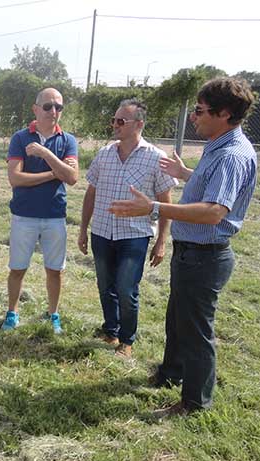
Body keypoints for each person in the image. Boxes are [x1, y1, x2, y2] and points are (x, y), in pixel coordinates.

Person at [109, 78, 257, 417]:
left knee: (195, 330)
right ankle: (170, 373)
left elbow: (214, 211)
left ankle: (194, 403)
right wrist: (187, 173)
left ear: (224, 114)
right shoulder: (219, 145)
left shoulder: (231, 155)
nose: (194, 117)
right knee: (178, 321)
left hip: (205, 257)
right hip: (191, 254)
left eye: (201, 111)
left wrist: (155, 208)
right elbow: (212, 186)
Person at [78, 99, 177, 358]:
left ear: (139, 124)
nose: (115, 125)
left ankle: (127, 339)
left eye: (121, 121)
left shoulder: (156, 158)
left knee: (125, 288)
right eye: (114, 120)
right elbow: (91, 194)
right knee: (104, 285)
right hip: (101, 231)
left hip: (134, 235)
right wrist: (83, 229)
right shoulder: (104, 154)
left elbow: (166, 203)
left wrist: (162, 241)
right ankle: (111, 330)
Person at [2, 87, 79, 334]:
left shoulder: (68, 140)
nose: (53, 111)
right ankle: (12, 313)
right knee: (17, 268)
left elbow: (73, 177)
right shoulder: (20, 138)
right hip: (24, 215)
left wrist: (45, 153)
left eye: (58, 107)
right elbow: (16, 179)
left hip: (55, 216)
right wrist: (55, 173)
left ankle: (53, 314)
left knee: (54, 270)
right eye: (47, 106)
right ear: (36, 109)